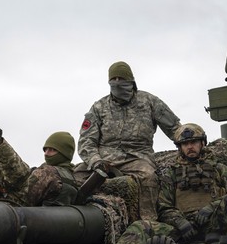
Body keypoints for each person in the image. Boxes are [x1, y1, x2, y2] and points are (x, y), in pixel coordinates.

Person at [76, 61, 180, 220]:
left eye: (121, 79)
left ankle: (149, 223)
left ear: (131, 81)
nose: (117, 83)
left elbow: (174, 128)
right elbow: (86, 141)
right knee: (75, 176)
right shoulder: (99, 107)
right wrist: (96, 161)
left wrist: (190, 140)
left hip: (137, 157)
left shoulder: (149, 101)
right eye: (114, 79)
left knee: (148, 177)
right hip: (104, 159)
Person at [26, 131, 79, 206]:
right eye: (45, 149)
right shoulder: (72, 176)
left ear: (64, 153)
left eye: (52, 149)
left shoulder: (48, 173)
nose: (46, 153)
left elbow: (22, 196)